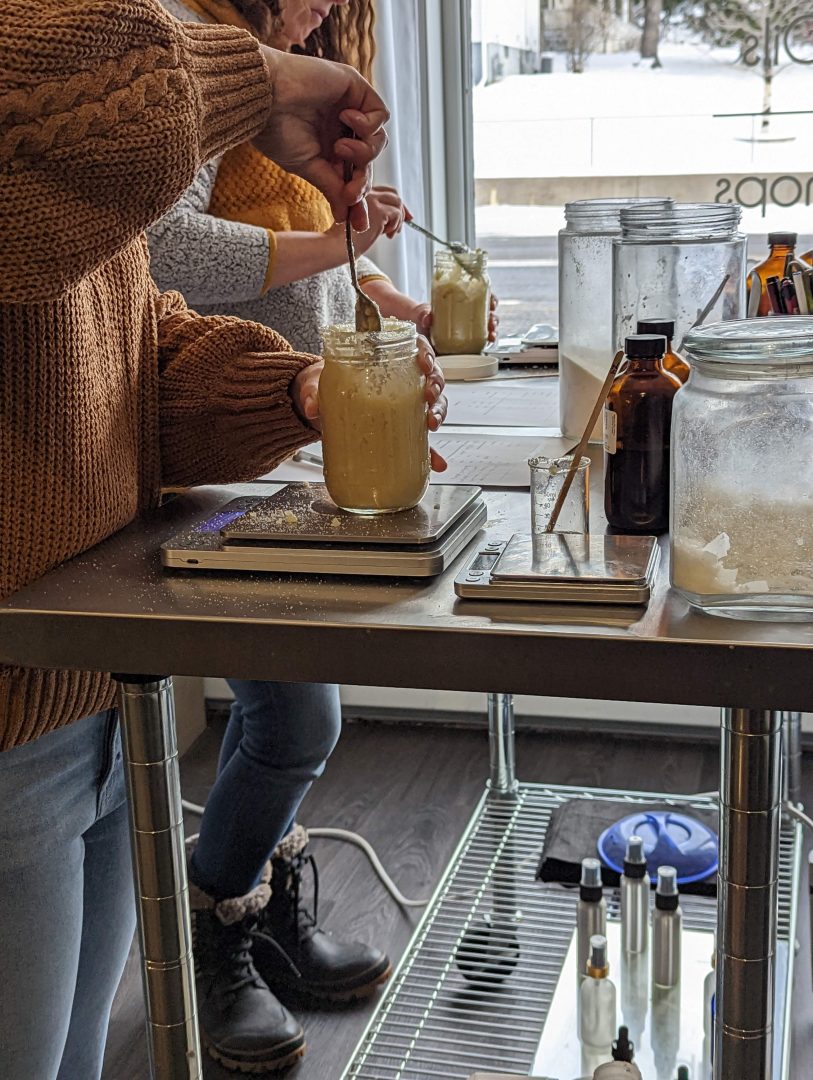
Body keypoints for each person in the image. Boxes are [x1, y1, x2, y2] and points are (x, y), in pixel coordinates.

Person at [0, 4, 438, 1078]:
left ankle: (239, 915)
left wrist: (295, 390)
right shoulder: (138, 58)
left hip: (95, 686)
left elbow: (132, 346)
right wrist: (261, 81)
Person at [147, 1, 456, 1071]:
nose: (330, 7)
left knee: (278, 712)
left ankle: (261, 912)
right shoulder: (186, 54)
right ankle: (211, 922)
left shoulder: (285, 70)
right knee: (294, 721)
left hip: (282, 447)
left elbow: (302, 262)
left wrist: (381, 297)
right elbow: (163, 250)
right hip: (209, 454)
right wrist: (336, 241)